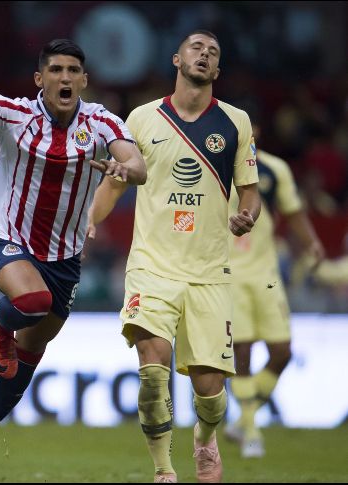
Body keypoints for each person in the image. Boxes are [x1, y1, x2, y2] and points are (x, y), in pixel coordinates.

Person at [0, 39, 147, 483]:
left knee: (27, 359)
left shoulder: (101, 122)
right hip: (7, 239)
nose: (65, 77)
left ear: (84, 80)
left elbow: (136, 164)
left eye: (73, 70)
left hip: (64, 257)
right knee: (33, 301)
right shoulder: (15, 115)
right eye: (56, 70)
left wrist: (126, 170)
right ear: (40, 79)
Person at [90, 30, 261, 483]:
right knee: (152, 372)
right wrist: (89, 221)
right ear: (176, 59)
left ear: (218, 69)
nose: (204, 55)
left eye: (213, 52)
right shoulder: (142, 118)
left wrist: (247, 215)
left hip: (209, 271)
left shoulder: (236, 122)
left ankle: (206, 437)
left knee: (210, 392)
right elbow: (115, 182)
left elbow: (250, 192)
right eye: (196, 48)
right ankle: (164, 470)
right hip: (152, 266)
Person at [225, 131, 325, 458]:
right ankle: (252, 431)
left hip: (266, 275)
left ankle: (244, 418)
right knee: (242, 352)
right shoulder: (215, 164)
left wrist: (311, 242)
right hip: (228, 273)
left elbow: (293, 212)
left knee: (282, 351)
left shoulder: (274, 169)